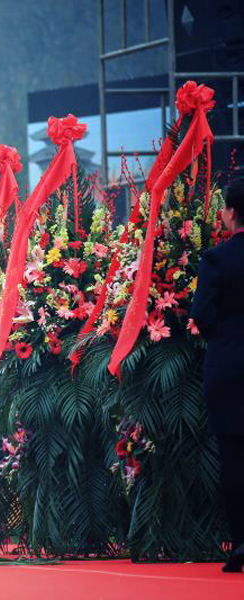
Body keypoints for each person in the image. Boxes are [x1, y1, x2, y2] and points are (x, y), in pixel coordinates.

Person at [191, 174, 244, 573]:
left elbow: (202, 316)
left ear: (229, 213)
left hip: (229, 368)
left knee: (234, 455)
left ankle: (242, 544)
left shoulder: (217, 259)